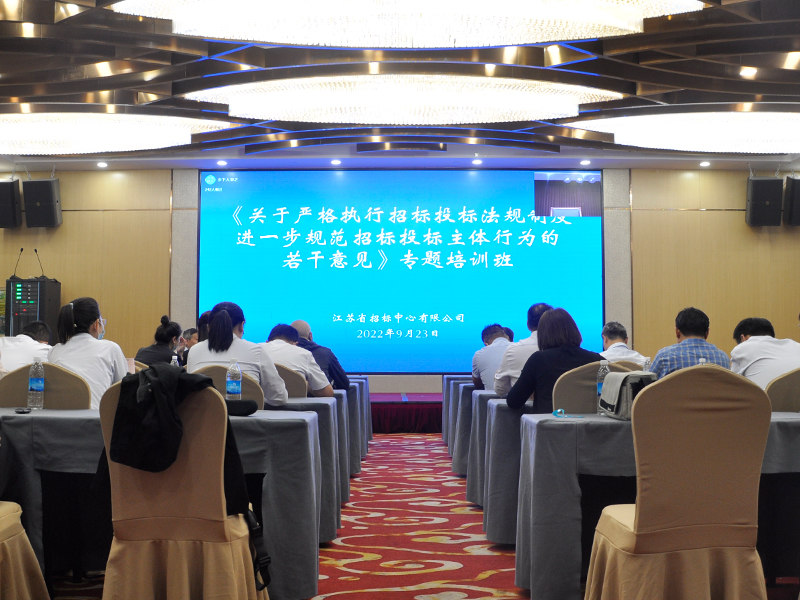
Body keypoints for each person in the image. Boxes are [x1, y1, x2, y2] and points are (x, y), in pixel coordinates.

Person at [186, 302, 287, 407]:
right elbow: (279, 397)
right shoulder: (256, 351)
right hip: (248, 417)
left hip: (205, 416)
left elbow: (189, 391)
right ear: (242, 326)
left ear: (209, 327)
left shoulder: (194, 350)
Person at [506, 308, 603, 413]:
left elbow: (513, 401)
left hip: (550, 422)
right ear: (574, 330)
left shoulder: (538, 360)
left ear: (543, 335)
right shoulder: (597, 360)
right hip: (589, 422)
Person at [48, 297, 128, 409]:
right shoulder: (110, 349)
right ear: (96, 324)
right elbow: (125, 388)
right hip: (97, 417)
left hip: (59, 417)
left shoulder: (54, 351)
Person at [649, 307, 730, 379]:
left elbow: (647, 386)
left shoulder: (664, 356)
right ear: (707, 333)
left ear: (677, 332)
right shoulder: (723, 358)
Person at [494, 302, 553, 396]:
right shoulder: (569, 350)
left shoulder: (513, 350)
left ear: (528, 324)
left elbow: (500, 390)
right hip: (560, 405)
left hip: (522, 404)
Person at [262, 324, 335, 397]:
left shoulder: (257, 349)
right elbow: (327, 393)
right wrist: (305, 384)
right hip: (294, 403)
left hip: (259, 403)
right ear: (295, 344)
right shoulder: (305, 354)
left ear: (266, 342)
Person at [730, 317, 800, 389]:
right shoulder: (796, 346)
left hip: (766, 396)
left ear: (743, 338)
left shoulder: (743, 347)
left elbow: (731, 386)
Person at [291, 319, 350, 391]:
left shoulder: (284, 353)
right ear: (310, 335)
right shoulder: (325, 352)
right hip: (320, 397)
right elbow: (344, 383)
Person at [471, 324, 511, 391]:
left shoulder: (479, 354)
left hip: (491, 396)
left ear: (485, 343)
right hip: (522, 397)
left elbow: (477, 384)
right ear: (507, 337)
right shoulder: (521, 348)